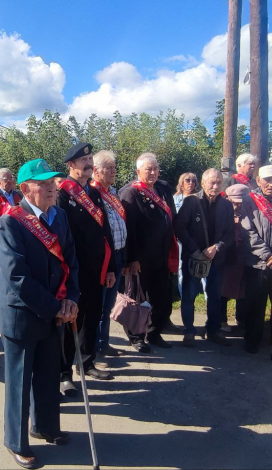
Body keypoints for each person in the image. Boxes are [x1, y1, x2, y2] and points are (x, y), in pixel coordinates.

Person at [0, 158, 79, 469]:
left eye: (52, 183)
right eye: (43, 184)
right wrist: (55, 306)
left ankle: (45, 425)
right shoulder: (11, 222)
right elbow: (18, 276)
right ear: (25, 189)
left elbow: (71, 260)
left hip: (55, 311)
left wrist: (71, 298)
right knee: (19, 381)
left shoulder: (59, 217)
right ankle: (16, 442)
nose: (51, 189)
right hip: (23, 315)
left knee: (47, 374)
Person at [58, 142, 116, 395]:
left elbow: (105, 232)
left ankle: (86, 361)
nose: (89, 163)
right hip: (73, 271)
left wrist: (112, 267)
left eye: (91, 158)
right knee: (71, 319)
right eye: (84, 160)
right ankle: (63, 373)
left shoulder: (94, 193)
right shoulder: (62, 193)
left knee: (91, 316)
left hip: (96, 269)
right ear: (71, 165)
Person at [119, 153, 178, 352]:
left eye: (155, 169)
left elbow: (171, 217)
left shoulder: (162, 188)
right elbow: (130, 229)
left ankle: (154, 333)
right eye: (148, 169)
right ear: (138, 172)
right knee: (137, 299)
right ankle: (136, 337)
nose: (153, 173)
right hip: (141, 259)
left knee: (160, 297)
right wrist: (133, 258)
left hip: (161, 255)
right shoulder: (130, 193)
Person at [174, 168, 234, 347]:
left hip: (216, 259)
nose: (215, 186)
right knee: (189, 296)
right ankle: (189, 331)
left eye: (218, 183)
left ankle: (213, 330)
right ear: (203, 183)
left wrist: (217, 247)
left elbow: (230, 233)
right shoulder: (191, 202)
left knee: (214, 296)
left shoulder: (226, 205)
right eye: (212, 182)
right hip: (193, 257)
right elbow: (179, 227)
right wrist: (194, 249)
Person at [240, 165, 272, 354]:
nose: (270, 184)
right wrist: (268, 255)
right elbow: (247, 231)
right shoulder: (249, 200)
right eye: (267, 180)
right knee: (255, 304)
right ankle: (252, 339)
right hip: (257, 262)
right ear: (258, 181)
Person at [91, 150, 126, 357]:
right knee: (100, 303)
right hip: (105, 258)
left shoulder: (113, 192)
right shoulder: (93, 194)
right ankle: (95, 346)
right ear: (96, 171)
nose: (113, 171)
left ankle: (104, 343)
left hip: (119, 254)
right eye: (108, 168)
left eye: (114, 167)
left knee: (109, 303)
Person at [221, 184, 250, 332]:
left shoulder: (251, 213)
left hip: (244, 258)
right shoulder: (223, 212)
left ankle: (241, 319)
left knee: (243, 289)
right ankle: (222, 321)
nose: (237, 205)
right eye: (234, 202)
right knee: (223, 290)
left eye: (240, 202)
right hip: (227, 257)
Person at [173, 172, 200, 311]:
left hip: (196, 241)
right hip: (180, 241)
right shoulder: (175, 199)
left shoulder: (200, 199)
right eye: (187, 180)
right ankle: (185, 299)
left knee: (202, 270)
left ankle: (202, 298)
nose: (191, 183)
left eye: (194, 180)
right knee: (181, 270)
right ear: (181, 183)